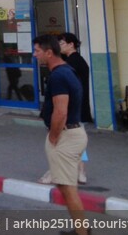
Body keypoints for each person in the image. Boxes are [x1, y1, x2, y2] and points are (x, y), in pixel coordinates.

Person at [33, 34, 89, 235]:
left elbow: (61, 111)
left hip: (66, 135)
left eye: (37, 51)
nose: (34, 55)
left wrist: (54, 137)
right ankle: (80, 229)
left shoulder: (58, 76)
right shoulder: (66, 70)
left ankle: (82, 232)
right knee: (66, 186)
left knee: (67, 187)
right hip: (73, 132)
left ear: (49, 52)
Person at [39, 32, 92, 185]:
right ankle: (80, 170)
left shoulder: (72, 62)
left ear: (71, 44)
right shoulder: (74, 61)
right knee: (76, 143)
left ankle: (58, 172)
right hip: (76, 108)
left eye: (61, 43)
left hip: (72, 109)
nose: (59, 46)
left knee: (60, 142)